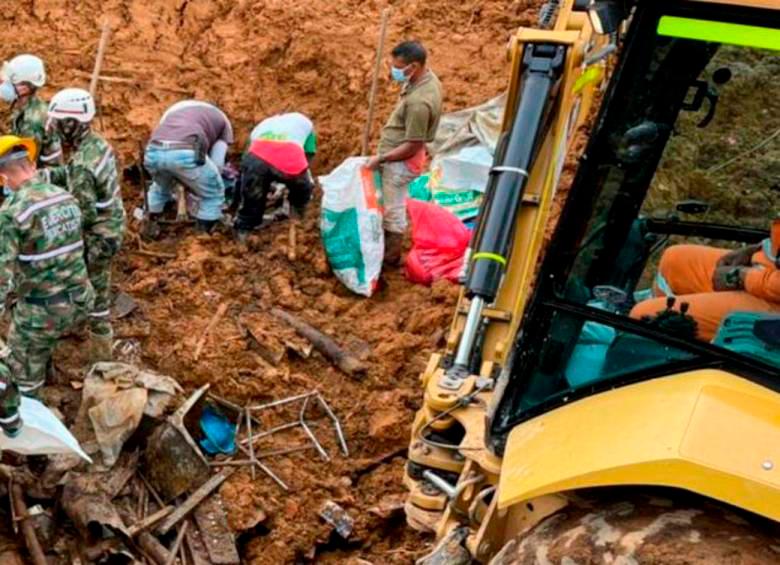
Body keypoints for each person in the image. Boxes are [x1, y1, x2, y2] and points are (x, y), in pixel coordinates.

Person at [0, 136, 94, 418]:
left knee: (19, 373)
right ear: (30, 165)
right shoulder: (65, 197)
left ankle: (31, 444)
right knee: (39, 334)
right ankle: (48, 370)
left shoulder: (12, 212)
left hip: (44, 312)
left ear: (3, 177)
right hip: (81, 299)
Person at [47, 88, 126, 362]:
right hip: (112, 224)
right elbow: (70, 174)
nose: (54, 128)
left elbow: (84, 214)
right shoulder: (96, 144)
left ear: (71, 123)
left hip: (99, 236)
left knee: (96, 290)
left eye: (58, 122)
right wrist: (43, 177)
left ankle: (100, 356)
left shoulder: (82, 164)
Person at [631, 216, 780, 341]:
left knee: (642, 318)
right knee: (675, 259)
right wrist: (757, 249)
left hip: (773, 299)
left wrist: (740, 277)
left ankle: (676, 361)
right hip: (768, 272)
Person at [366, 40, 443, 266]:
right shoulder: (425, 79)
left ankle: (390, 257)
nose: (394, 70)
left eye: (398, 67)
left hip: (401, 163)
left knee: (393, 210)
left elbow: (413, 144)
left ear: (414, 66)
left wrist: (382, 158)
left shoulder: (419, 103)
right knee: (392, 204)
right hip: (400, 156)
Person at [144, 100, 234, 233]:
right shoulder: (224, 122)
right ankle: (202, 236)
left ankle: (149, 224)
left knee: (160, 188)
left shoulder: (174, 110)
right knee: (213, 194)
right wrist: (201, 186)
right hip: (185, 151)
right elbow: (217, 163)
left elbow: (165, 140)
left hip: (153, 152)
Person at [234, 112, 317, 240]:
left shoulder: (261, 127)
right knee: (303, 189)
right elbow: (309, 154)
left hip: (257, 157)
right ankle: (297, 218)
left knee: (253, 199)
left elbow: (246, 162)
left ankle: (243, 233)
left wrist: (245, 193)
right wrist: (293, 181)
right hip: (290, 156)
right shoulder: (305, 123)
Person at [1, 54, 62, 168]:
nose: (4, 85)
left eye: (10, 82)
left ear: (25, 87)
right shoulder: (23, 106)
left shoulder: (33, 121)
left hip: (39, 177)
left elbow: (23, 163)